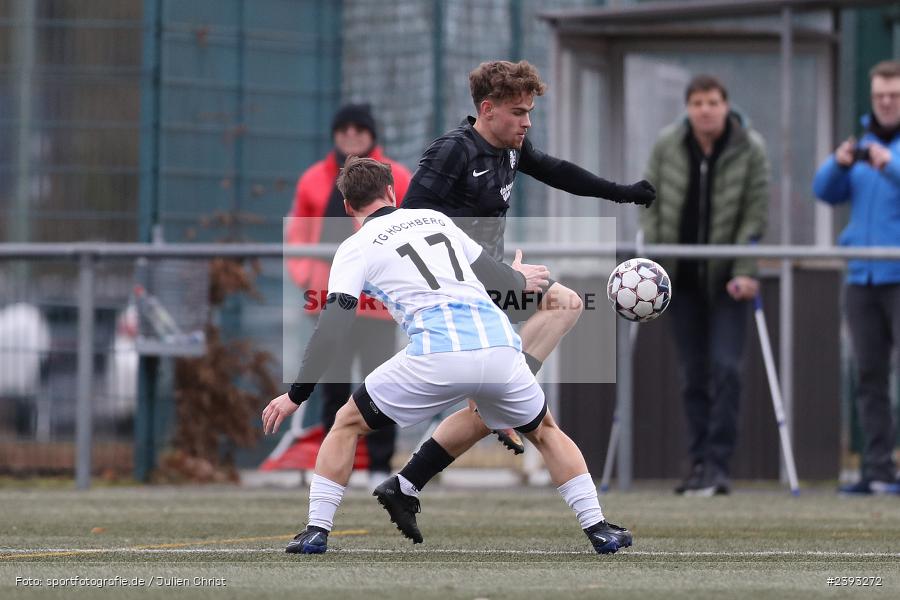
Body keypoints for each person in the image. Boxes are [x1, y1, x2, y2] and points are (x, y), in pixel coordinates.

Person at [262, 156, 632, 555]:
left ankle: (317, 530)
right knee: (545, 431)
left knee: (346, 423)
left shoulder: (354, 247)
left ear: (349, 208)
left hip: (436, 357)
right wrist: (518, 277)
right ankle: (599, 529)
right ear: (392, 192)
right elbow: (499, 279)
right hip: (500, 350)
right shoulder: (436, 221)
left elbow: (333, 327)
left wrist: (295, 394)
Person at [382, 59, 655, 499]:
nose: (527, 122)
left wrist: (619, 192)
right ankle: (499, 399)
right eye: (518, 112)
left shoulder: (510, 146)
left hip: (491, 283)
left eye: (530, 111)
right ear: (487, 109)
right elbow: (411, 222)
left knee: (563, 305)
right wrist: (499, 272)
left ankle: (416, 474)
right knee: (555, 320)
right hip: (452, 294)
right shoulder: (453, 151)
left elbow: (556, 170)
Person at [641, 75, 770, 496]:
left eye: (712, 102)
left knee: (727, 369)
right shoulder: (668, 144)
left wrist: (745, 270)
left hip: (728, 278)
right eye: (697, 102)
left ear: (726, 105)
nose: (705, 110)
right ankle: (696, 463)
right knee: (692, 374)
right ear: (688, 108)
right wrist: (655, 267)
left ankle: (719, 465)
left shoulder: (749, 147)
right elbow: (652, 204)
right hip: (681, 281)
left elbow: (755, 212)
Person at [285, 103, 411, 485]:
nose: (352, 135)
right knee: (332, 386)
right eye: (344, 129)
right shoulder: (312, 180)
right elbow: (299, 238)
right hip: (331, 300)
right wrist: (310, 279)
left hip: (378, 305)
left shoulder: (398, 177)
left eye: (360, 129)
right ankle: (330, 467)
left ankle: (378, 466)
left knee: (382, 386)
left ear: (372, 134)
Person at [813, 60, 900, 495]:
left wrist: (891, 165)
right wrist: (839, 161)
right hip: (863, 278)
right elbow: (824, 191)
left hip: (898, 276)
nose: (886, 102)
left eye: (895, 95)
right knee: (869, 376)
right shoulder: (863, 143)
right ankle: (880, 469)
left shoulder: (890, 154)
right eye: (880, 94)